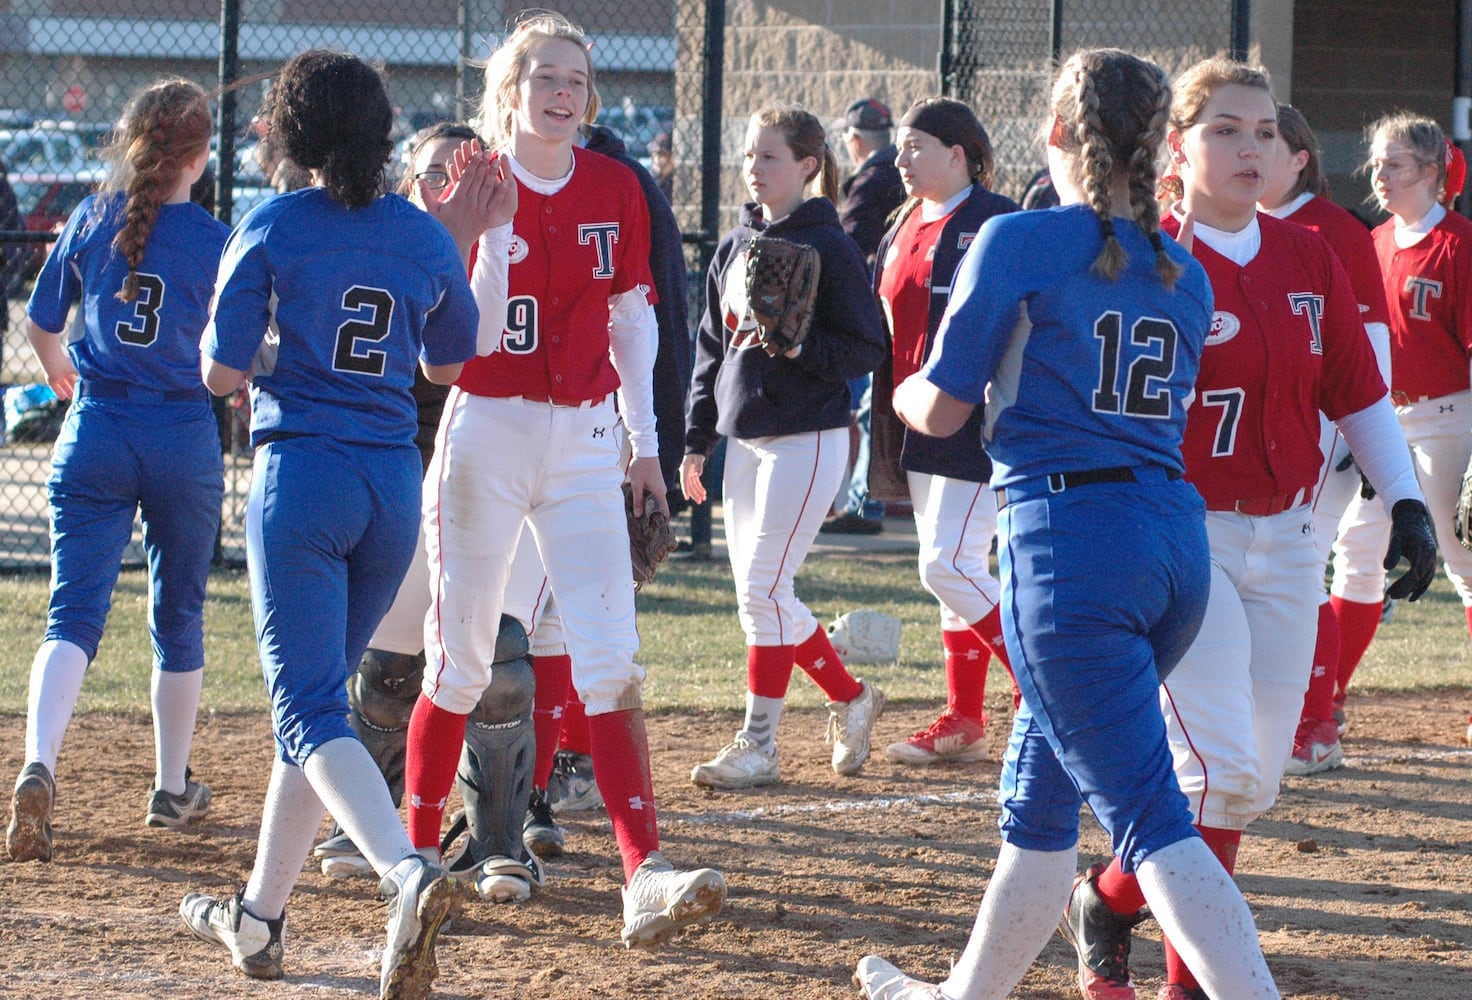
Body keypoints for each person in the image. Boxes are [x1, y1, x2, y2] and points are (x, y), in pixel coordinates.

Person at [854, 47, 1281, 1000]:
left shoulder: (1016, 241)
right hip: (1171, 543)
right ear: (1158, 143)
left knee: (1149, 820)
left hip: (1070, 544)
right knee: (1039, 809)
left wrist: (908, 378)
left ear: (1054, 132)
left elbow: (946, 410)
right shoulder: (1185, 267)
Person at [1057, 59, 1436, 1000]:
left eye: (1264, 130)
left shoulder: (1309, 250)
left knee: (1251, 784)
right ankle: (1192, 986)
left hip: (1291, 537)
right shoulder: (1144, 256)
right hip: (1185, 540)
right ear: (1174, 149)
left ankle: (1107, 896)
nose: (1250, 146)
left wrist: (1409, 500)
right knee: (1216, 767)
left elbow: (1357, 393)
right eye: (1225, 128)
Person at [399, 10, 726, 950]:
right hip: (491, 426)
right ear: (509, 90)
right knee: (460, 657)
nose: (562, 91)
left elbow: (634, 319)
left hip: (584, 435)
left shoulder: (618, 184)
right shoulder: (471, 182)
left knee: (612, 655)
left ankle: (645, 874)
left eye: (576, 78)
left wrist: (645, 446)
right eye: (543, 74)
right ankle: (415, 867)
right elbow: (465, 347)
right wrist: (493, 236)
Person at [176, 50, 496, 998]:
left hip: (304, 477)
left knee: (310, 706)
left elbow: (218, 375)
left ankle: (408, 872)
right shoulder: (423, 233)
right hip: (391, 483)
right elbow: (449, 363)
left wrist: (282, 354)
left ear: (296, 133)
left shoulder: (273, 221)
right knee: (310, 711)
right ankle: (259, 919)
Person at [6, 78, 228, 865]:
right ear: (198, 155)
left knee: (73, 612)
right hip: (179, 432)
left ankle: (39, 764)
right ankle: (171, 789)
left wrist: (65, 374)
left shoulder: (93, 218)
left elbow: (39, 325)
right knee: (179, 613)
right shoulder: (212, 236)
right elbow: (233, 355)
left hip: (96, 425)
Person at [682, 104, 887, 791]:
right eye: (748, 156)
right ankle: (852, 696)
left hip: (809, 435)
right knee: (760, 597)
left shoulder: (830, 246)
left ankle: (759, 744)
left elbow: (867, 346)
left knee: (764, 588)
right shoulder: (734, 244)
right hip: (743, 440)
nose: (754, 168)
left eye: (769, 157)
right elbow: (710, 349)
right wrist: (694, 441)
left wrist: (802, 346)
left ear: (807, 166)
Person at [865, 97, 1020, 766]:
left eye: (917, 145)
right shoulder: (903, 221)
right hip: (914, 415)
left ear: (960, 154)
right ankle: (963, 717)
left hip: (974, 413)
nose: (900, 158)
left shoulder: (997, 220)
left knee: (947, 565)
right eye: (900, 146)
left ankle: (1043, 681)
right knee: (958, 568)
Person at [1326, 112, 1472, 746]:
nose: (1379, 176)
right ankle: (1322, 703)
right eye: (1376, 164)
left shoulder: (1461, 245)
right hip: (1385, 418)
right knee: (1354, 556)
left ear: (1433, 172)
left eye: (1395, 165)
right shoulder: (1374, 241)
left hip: (1450, 416)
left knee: (1463, 562)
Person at [1256, 104, 1393, 776]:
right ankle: (1302, 716)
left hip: (1322, 431)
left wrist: (1362, 439)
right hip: (1264, 431)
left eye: (1264, 140)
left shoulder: (1332, 230)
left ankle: (1315, 725)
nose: (1250, 154)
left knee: (1301, 570)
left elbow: (1370, 345)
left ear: (1300, 159)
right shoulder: (1242, 224)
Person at [825, 97, 906, 536]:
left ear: (855, 141)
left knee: (868, 407)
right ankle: (866, 500)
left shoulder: (871, 179)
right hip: (898, 303)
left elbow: (850, 247)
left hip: (872, 309)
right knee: (873, 407)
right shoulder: (900, 171)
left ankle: (865, 503)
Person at [651, 130, 674, 204]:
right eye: (653, 156)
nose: (656, 160)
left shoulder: (673, 186)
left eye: (661, 155)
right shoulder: (653, 184)